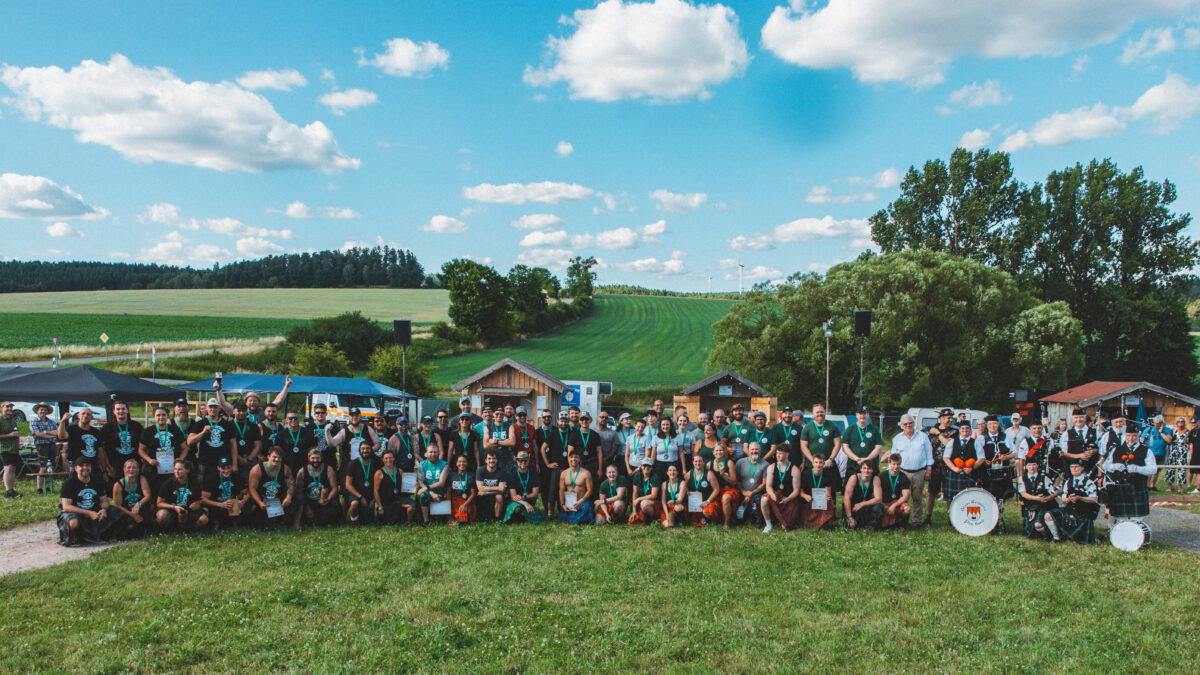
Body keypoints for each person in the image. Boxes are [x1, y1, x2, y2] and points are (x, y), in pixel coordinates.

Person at [58, 457, 124, 545]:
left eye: (87, 465)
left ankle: (106, 535)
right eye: (81, 466)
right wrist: (89, 513)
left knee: (118, 512)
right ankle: (73, 537)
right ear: (76, 468)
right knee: (73, 522)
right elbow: (66, 507)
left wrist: (103, 510)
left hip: (95, 510)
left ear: (91, 468)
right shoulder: (69, 483)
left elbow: (105, 502)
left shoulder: (97, 481)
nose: (85, 468)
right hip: (77, 512)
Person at [1102, 428, 1156, 523]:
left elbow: (1153, 469)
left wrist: (1137, 469)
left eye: (1134, 436)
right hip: (1119, 488)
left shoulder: (1146, 451)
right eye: (1128, 436)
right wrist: (1114, 466)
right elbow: (1105, 466)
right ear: (1125, 436)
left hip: (1137, 488)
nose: (1131, 438)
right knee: (1120, 519)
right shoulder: (1116, 449)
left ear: (1138, 436)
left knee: (1136, 520)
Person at [975, 415, 1015, 534]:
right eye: (990, 424)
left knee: (1001, 499)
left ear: (998, 425)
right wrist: (984, 461)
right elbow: (977, 454)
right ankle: (989, 522)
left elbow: (1014, 452)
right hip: (988, 474)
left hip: (1002, 473)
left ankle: (1000, 521)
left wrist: (1006, 457)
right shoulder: (981, 438)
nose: (993, 426)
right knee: (989, 498)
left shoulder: (1005, 437)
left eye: (995, 424)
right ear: (987, 426)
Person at [891, 415, 933, 527]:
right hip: (902, 472)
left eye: (910, 423)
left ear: (914, 424)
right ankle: (901, 521)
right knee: (901, 498)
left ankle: (917, 522)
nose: (908, 425)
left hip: (919, 472)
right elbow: (893, 457)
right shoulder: (897, 439)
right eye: (905, 424)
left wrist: (929, 470)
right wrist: (893, 472)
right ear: (901, 425)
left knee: (917, 497)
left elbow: (929, 454)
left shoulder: (923, 436)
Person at [187, 398, 236, 486]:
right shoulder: (200, 423)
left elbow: (233, 445)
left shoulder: (227, 424)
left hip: (223, 464)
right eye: (210, 407)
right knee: (202, 488)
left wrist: (234, 464)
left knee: (221, 488)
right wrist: (203, 432)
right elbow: (190, 441)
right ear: (206, 408)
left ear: (219, 408)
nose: (213, 409)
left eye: (215, 407)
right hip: (205, 463)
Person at [138, 405, 186, 490]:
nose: (161, 417)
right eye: (158, 415)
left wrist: (180, 459)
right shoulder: (148, 431)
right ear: (154, 417)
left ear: (167, 416)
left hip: (172, 469)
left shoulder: (175, 430)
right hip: (154, 470)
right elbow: (141, 450)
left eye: (164, 415)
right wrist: (149, 460)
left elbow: (184, 448)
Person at [1017, 456, 1063, 542]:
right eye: (1029, 465)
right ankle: (1045, 533)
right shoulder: (1022, 479)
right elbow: (1023, 494)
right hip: (1030, 506)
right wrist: (1037, 498)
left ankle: (1052, 535)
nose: (1032, 467)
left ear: (1038, 466)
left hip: (1044, 506)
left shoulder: (1044, 478)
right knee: (1032, 533)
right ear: (1025, 466)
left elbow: (1052, 492)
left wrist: (1049, 497)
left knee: (1038, 525)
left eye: (1034, 464)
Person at [156, 459, 209, 532]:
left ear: (187, 470)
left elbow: (199, 500)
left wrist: (197, 504)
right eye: (175, 469)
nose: (177, 472)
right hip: (173, 509)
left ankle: (190, 530)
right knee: (162, 515)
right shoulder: (168, 483)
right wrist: (174, 507)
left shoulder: (194, 483)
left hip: (188, 510)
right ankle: (169, 530)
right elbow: (159, 503)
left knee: (203, 519)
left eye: (180, 469)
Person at [248, 447, 294, 529]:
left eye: (279, 457)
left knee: (299, 498)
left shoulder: (285, 469)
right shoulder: (257, 469)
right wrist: (259, 502)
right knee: (261, 526)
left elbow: (291, 485)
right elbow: (252, 488)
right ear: (268, 456)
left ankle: (290, 522)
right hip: (263, 500)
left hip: (278, 500)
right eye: (274, 457)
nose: (277, 459)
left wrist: (288, 497)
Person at [201, 456, 252, 530]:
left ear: (231, 467)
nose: (226, 471)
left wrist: (242, 502)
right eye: (223, 468)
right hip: (217, 504)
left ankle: (235, 522)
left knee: (251, 505)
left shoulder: (236, 476)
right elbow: (203, 499)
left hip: (232, 503)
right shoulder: (211, 478)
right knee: (207, 508)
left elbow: (248, 492)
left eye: (228, 468)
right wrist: (220, 504)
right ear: (218, 468)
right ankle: (215, 523)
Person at [327, 408, 380, 477]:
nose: (354, 417)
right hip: (349, 467)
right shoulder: (344, 431)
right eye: (352, 415)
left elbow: (378, 444)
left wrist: (369, 450)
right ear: (349, 417)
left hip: (365, 466)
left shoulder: (368, 429)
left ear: (360, 416)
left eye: (356, 415)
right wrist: (327, 432)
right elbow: (332, 444)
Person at [923, 408, 955, 522]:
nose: (951, 420)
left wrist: (938, 433)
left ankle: (951, 519)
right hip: (934, 465)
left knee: (949, 493)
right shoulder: (929, 431)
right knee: (932, 492)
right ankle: (928, 517)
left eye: (951, 418)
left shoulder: (954, 432)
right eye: (948, 418)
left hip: (948, 466)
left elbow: (948, 444)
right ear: (941, 418)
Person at [101, 400, 144, 482]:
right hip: (115, 468)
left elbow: (144, 447)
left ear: (127, 410)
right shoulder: (107, 428)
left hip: (133, 467)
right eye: (118, 409)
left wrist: (143, 465)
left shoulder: (136, 426)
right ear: (113, 411)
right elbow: (102, 450)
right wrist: (108, 467)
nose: (121, 411)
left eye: (123, 409)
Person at [295, 448, 340, 527]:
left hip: (324, 500)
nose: (315, 460)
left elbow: (334, 488)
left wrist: (328, 499)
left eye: (317, 458)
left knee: (334, 506)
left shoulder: (329, 470)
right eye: (313, 458)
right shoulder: (302, 472)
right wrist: (307, 508)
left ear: (321, 458)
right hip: (309, 501)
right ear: (308, 458)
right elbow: (299, 492)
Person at [57, 406, 104, 480]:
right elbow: (61, 436)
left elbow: (100, 451)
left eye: (88, 414)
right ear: (78, 415)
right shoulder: (72, 429)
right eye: (83, 414)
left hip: (92, 465)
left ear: (91, 417)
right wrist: (62, 421)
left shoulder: (96, 432)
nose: (85, 416)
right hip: (76, 465)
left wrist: (104, 469)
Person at [1059, 460, 1100, 544]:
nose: (1074, 469)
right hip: (1070, 510)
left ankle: (1075, 538)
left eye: (1076, 466)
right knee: (1051, 515)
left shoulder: (1089, 482)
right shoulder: (1068, 482)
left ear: (1082, 468)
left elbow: (1094, 499)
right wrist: (1069, 499)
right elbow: (1063, 499)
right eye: (1072, 467)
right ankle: (1057, 537)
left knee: (1079, 539)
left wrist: (1079, 498)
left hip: (1084, 511)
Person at [942, 419, 981, 505]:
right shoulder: (952, 442)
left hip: (970, 475)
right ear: (959, 430)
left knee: (969, 500)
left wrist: (972, 468)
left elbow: (982, 458)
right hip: (954, 474)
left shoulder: (976, 442)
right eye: (962, 428)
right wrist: (954, 468)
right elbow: (946, 457)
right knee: (951, 499)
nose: (964, 430)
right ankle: (950, 514)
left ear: (970, 430)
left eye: (967, 428)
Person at [763, 447, 802, 532]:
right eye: (777, 453)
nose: (778, 455)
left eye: (780, 453)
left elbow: (796, 491)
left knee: (785, 527)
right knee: (764, 499)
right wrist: (772, 495)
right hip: (775, 497)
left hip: (789, 499)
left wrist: (787, 499)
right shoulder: (771, 467)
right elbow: (768, 486)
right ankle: (768, 525)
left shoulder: (795, 470)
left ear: (787, 454)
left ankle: (780, 521)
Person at [112, 457, 153, 536]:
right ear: (124, 469)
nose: (131, 470)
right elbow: (117, 505)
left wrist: (138, 504)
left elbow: (148, 495)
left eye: (134, 467)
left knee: (149, 507)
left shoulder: (141, 479)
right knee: (130, 527)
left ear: (138, 470)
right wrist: (132, 515)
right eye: (129, 467)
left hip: (139, 508)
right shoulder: (118, 485)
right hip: (126, 511)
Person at [374, 449, 414, 525]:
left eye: (390, 458)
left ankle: (408, 523)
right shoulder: (379, 473)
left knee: (412, 506)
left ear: (394, 458)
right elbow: (376, 491)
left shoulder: (399, 471)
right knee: (388, 521)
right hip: (386, 501)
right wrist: (380, 506)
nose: (388, 460)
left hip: (398, 499)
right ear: (382, 459)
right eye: (386, 458)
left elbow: (405, 486)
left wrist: (413, 486)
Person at [800, 453, 840, 529]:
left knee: (830, 501)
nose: (818, 465)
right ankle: (816, 522)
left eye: (821, 462)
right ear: (812, 463)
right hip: (809, 501)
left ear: (824, 464)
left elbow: (828, 492)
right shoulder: (805, 474)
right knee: (806, 522)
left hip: (821, 502)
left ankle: (825, 522)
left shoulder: (828, 475)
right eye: (816, 462)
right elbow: (800, 492)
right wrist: (805, 496)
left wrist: (827, 497)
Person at [504, 450, 545, 524]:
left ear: (528, 461)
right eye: (520, 460)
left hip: (526, 499)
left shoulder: (534, 474)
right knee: (517, 508)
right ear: (516, 461)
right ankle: (516, 518)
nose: (523, 462)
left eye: (525, 460)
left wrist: (524, 498)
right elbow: (513, 497)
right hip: (515, 501)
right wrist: (525, 503)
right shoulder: (511, 475)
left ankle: (524, 516)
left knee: (538, 518)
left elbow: (535, 494)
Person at [735, 441, 769, 526]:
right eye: (752, 449)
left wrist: (752, 493)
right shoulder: (740, 462)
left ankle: (759, 519)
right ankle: (744, 518)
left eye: (756, 449)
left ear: (760, 451)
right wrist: (743, 492)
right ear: (748, 451)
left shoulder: (765, 464)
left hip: (757, 492)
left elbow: (764, 483)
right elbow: (737, 480)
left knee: (758, 499)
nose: (754, 451)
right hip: (742, 491)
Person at [415, 443, 450, 525]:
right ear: (426, 453)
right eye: (430, 452)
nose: (433, 454)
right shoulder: (421, 465)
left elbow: (441, 483)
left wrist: (426, 488)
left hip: (440, 492)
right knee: (423, 495)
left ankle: (440, 516)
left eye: (435, 452)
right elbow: (420, 482)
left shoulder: (445, 465)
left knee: (440, 521)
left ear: (438, 453)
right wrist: (431, 493)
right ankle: (426, 521)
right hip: (428, 492)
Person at [843, 405, 883, 476]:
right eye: (860, 413)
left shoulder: (874, 430)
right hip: (853, 467)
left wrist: (868, 459)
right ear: (856, 415)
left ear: (868, 415)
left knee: (874, 483)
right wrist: (857, 459)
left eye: (865, 413)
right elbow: (845, 447)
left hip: (871, 467)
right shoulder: (850, 429)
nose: (862, 416)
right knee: (851, 483)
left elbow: (878, 448)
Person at [684, 451, 721, 527]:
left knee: (708, 511)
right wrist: (687, 491)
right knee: (686, 511)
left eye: (700, 461)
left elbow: (716, 489)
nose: (698, 463)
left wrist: (707, 501)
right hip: (694, 502)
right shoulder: (689, 474)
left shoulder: (709, 474)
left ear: (703, 462)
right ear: (693, 462)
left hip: (707, 501)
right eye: (696, 461)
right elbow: (684, 486)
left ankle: (712, 521)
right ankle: (700, 521)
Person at [1059, 408, 1099, 477]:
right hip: (1073, 473)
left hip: (1091, 471)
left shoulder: (1095, 432)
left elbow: (1101, 450)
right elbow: (1063, 453)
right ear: (1072, 419)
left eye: (1081, 417)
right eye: (1076, 418)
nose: (1078, 420)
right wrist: (1079, 456)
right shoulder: (1066, 434)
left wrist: (1094, 451)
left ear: (1085, 418)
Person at [558, 449, 595, 525]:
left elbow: (590, 489)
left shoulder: (586, 473)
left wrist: (580, 501)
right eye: (571, 457)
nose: (573, 459)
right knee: (563, 511)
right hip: (569, 503)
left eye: (576, 457)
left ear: (579, 459)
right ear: (568, 459)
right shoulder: (564, 473)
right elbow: (561, 490)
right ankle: (576, 519)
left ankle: (575, 519)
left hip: (581, 502)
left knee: (586, 507)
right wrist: (563, 504)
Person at [29, 402, 59, 495]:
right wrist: (50, 434)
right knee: (43, 467)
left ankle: (48, 486)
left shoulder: (52, 421)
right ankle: (39, 488)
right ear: (37, 411)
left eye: (45, 410)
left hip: (52, 446)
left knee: (51, 466)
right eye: (41, 409)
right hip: (41, 446)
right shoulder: (34, 421)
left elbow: (57, 432)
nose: (43, 411)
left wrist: (45, 432)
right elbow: (38, 434)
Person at [843, 461, 883, 531]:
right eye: (864, 468)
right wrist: (850, 517)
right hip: (854, 506)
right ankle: (852, 521)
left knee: (878, 506)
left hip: (866, 505)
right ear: (860, 469)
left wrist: (862, 504)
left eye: (869, 468)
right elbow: (846, 498)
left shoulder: (875, 479)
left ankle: (870, 526)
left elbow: (879, 499)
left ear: (872, 470)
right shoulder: (854, 478)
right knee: (850, 523)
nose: (866, 470)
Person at [800, 404, 841, 468]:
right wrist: (813, 461)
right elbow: (803, 446)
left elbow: (838, 444)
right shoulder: (807, 427)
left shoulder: (833, 426)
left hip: (829, 464)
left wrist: (830, 459)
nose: (820, 414)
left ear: (825, 413)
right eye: (817, 412)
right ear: (813, 414)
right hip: (811, 465)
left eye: (822, 412)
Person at [709, 442, 740, 529]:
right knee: (708, 509)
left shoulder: (729, 463)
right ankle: (715, 521)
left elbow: (734, 482)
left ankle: (727, 523)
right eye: (716, 450)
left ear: (724, 452)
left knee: (725, 498)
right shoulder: (709, 464)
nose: (718, 452)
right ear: (713, 452)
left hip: (728, 489)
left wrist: (723, 475)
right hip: (715, 490)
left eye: (721, 450)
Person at [878, 454, 912, 529]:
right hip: (883, 503)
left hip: (896, 503)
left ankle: (902, 525)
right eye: (894, 464)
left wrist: (894, 506)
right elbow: (875, 495)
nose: (896, 466)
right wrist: (885, 506)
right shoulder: (881, 476)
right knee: (883, 525)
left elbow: (906, 496)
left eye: (898, 464)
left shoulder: (903, 477)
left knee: (907, 508)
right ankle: (881, 523)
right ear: (889, 463)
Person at [227, 403, 263, 475]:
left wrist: (249, 459)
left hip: (250, 459)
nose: (241, 413)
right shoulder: (228, 425)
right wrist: (239, 459)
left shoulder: (254, 426)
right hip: (233, 459)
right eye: (239, 410)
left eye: (243, 411)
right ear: (233, 411)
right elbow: (228, 445)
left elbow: (258, 445)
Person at [278, 411, 316, 476]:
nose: (293, 420)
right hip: (287, 466)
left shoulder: (308, 433)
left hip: (304, 466)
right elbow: (279, 451)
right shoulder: (281, 435)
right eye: (290, 418)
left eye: (295, 418)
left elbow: (312, 449)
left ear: (299, 419)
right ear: (286, 420)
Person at [475, 449, 509, 522]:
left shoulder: (502, 471)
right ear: (485, 460)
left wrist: (487, 492)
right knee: (480, 496)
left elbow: (502, 490)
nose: (491, 461)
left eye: (494, 458)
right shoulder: (480, 470)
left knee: (499, 497)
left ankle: (497, 519)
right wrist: (498, 488)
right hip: (483, 496)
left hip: (493, 494)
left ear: (497, 460)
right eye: (489, 458)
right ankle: (483, 518)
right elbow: (480, 488)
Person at [568, 411, 604, 477]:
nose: (584, 421)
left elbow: (599, 453)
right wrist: (571, 468)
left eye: (586, 419)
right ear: (579, 421)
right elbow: (570, 453)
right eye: (582, 419)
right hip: (579, 464)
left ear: (590, 420)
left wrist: (600, 469)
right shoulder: (573, 435)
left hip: (592, 465)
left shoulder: (595, 435)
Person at [628, 458, 661, 525]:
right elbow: (635, 493)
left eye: (649, 466)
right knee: (632, 521)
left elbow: (654, 495)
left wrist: (639, 499)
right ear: (641, 466)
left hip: (652, 502)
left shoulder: (655, 477)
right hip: (640, 502)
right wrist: (634, 510)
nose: (646, 467)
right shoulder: (637, 476)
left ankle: (653, 518)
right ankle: (644, 518)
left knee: (644, 504)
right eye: (644, 465)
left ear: (652, 468)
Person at [447, 453, 477, 526]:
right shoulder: (451, 475)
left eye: (464, 462)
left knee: (463, 516)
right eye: (459, 461)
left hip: (466, 501)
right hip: (454, 501)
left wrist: (465, 504)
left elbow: (473, 493)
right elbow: (448, 492)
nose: (462, 463)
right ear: (456, 463)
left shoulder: (471, 476)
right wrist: (448, 504)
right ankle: (454, 521)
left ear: (467, 463)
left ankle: (459, 522)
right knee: (453, 516)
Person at [1141, 415, 1170, 490]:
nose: (1157, 425)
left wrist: (1161, 432)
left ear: (1162, 423)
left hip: (1161, 453)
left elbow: (1169, 440)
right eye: (1155, 423)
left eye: (1159, 423)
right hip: (1150, 453)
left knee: (1156, 471)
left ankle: (1152, 485)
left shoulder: (1167, 430)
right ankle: (1146, 485)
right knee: (1149, 470)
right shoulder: (1149, 429)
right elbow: (1142, 439)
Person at [1, 401, 23, 499]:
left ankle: (12, 489)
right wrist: (9, 435)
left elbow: (17, 433)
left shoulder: (13, 420)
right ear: (1, 408)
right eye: (7, 407)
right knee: (8, 468)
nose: (9, 409)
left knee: (13, 469)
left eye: (11, 407)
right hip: (4, 448)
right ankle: (8, 491)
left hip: (14, 448)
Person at [307, 403, 337, 470]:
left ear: (326, 414)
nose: (320, 414)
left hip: (330, 458)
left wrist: (339, 460)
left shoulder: (333, 427)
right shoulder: (309, 428)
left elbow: (340, 445)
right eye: (317, 413)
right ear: (314, 414)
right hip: (315, 460)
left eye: (322, 412)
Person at [1164, 416, 1189, 493]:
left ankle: (1180, 487)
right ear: (1177, 423)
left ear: (1184, 423)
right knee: (1170, 468)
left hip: (1182, 451)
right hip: (1173, 450)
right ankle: (1170, 486)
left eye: (1182, 421)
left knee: (1181, 469)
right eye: (1179, 421)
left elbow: (1188, 441)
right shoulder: (1173, 430)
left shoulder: (1188, 431)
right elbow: (1169, 439)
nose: (1180, 423)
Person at [659, 463, 687, 528]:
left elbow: (680, 500)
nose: (672, 472)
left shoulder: (682, 483)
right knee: (666, 525)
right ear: (667, 473)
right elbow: (663, 502)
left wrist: (674, 501)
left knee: (678, 507)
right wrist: (666, 514)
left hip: (678, 506)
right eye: (670, 470)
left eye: (674, 470)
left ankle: (680, 521)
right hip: (668, 508)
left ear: (677, 472)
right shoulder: (664, 484)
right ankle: (671, 520)